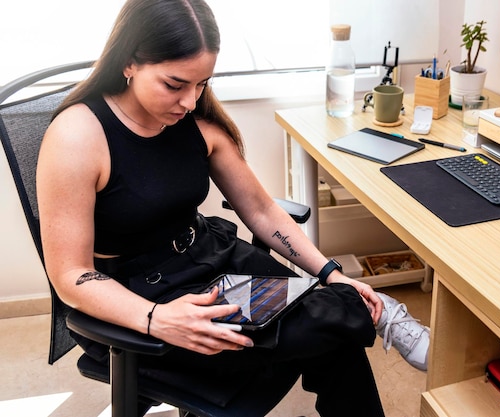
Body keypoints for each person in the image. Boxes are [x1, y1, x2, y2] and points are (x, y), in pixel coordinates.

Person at [37, 0, 429, 415]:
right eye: (175, 84)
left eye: (202, 83)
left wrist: (330, 273)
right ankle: (378, 310)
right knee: (331, 326)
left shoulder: (197, 125)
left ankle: (363, 307)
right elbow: (69, 274)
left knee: (331, 328)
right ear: (130, 62)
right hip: (138, 293)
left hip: (211, 257)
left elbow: (260, 210)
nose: (190, 100)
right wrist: (157, 318)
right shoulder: (78, 136)